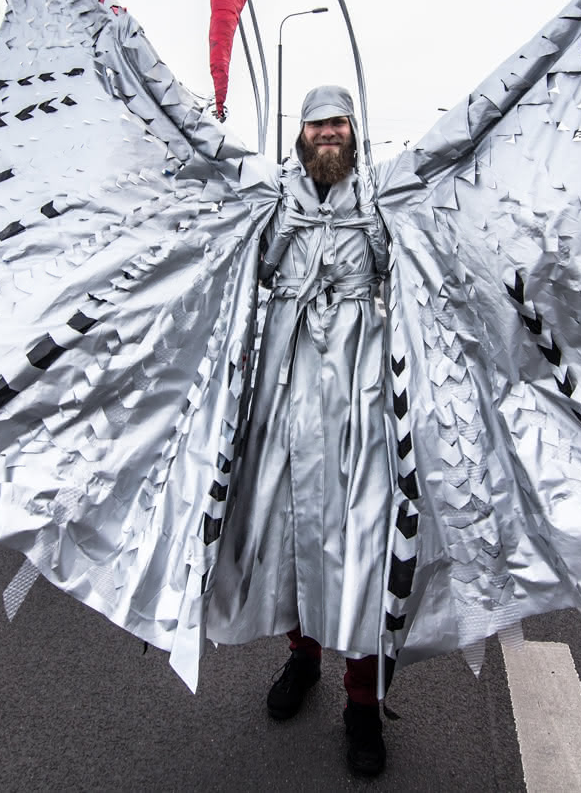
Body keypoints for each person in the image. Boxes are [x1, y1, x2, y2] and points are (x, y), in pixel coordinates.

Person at [205, 87, 391, 777]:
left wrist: (374, 227)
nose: (327, 133)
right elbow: (248, 270)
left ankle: (363, 701)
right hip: (285, 381)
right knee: (286, 526)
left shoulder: (379, 192)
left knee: (363, 535)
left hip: (358, 387)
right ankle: (302, 657)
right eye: (316, 124)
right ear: (300, 134)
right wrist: (282, 227)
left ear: (353, 130)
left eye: (337, 122)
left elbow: (401, 271)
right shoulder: (272, 193)